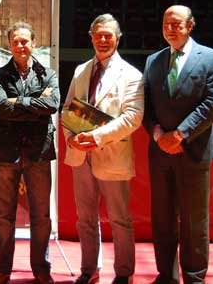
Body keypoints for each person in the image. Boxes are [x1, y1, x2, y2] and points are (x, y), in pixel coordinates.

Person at [142, 5, 213, 284]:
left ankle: (194, 277)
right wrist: (157, 135)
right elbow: (146, 105)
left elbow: (211, 105)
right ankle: (166, 274)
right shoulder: (153, 60)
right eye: (166, 23)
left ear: (190, 26)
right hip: (160, 152)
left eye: (176, 24)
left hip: (193, 150)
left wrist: (178, 135)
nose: (170, 28)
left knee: (193, 221)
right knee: (162, 219)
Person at [62, 14, 144, 284]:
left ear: (118, 38)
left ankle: (124, 273)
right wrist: (71, 137)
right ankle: (89, 270)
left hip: (111, 153)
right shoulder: (81, 70)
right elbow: (67, 110)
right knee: (85, 218)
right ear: (91, 37)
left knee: (120, 219)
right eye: (98, 35)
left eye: (108, 35)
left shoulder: (132, 75)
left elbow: (132, 117)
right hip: (80, 154)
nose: (103, 40)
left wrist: (96, 137)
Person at [0, 21, 60, 284]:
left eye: (25, 41)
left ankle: (41, 269)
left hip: (39, 153)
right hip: (7, 153)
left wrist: (17, 102)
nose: (20, 45)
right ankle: (2, 269)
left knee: (42, 216)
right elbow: (0, 108)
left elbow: (51, 105)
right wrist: (31, 105)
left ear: (34, 43)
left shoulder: (48, 74)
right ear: (9, 44)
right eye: (15, 41)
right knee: (4, 216)